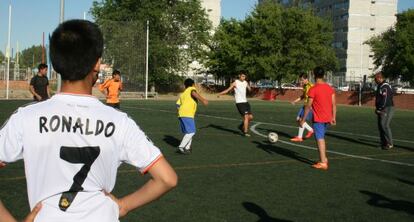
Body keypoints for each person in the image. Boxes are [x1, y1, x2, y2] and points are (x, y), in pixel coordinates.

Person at [0, 20, 177, 221]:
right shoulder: (120, 122)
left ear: (55, 64)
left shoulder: (26, 118)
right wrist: (123, 206)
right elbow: (167, 179)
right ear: (97, 64)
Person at [300, 67, 336, 170]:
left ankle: (323, 162)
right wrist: (333, 117)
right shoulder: (329, 88)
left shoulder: (313, 89)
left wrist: (303, 120)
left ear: (314, 75)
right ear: (323, 75)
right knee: (321, 137)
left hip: (319, 118)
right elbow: (334, 104)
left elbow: (308, 106)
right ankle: (324, 158)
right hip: (327, 118)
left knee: (320, 139)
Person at [176, 78, 208, 154]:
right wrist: (203, 100)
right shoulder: (191, 89)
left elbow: (177, 104)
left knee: (188, 132)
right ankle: (181, 147)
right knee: (191, 132)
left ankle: (187, 147)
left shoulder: (183, 93)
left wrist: (181, 111)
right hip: (187, 114)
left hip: (182, 114)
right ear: (193, 84)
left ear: (185, 85)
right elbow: (193, 93)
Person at [218, 72, 253, 137]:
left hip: (246, 102)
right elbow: (227, 90)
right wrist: (220, 94)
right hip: (239, 103)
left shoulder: (245, 82)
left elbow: (249, 89)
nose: (243, 77)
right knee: (245, 117)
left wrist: (250, 89)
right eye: (242, 76)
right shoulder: (235, 82)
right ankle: (245, 132)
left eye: (244, 76)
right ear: (239, 76)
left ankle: (242, 126)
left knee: (250, 117)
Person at [290, 73, 314, 142]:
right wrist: (295, 101)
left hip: (309, 106)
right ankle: (309, 131)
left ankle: (301, 136)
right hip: (305, 105)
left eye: (302, 80)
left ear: (306, 79)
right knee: (298, 119)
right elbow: (303, 96)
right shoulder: (305, 86)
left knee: (301, 119)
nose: (301, 81)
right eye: (300, 80)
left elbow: (315, 97)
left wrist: (312, 106)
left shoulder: (311, 86)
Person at [374, 72, 394, 150]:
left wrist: (380, 109)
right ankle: (384, 143)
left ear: (379, 78)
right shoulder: (380, 86)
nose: (375, 81)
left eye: (376, 79)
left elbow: (385, 99)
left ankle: (390, 143)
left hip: (387, 108)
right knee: (380, 126)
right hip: (381, 108)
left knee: (384, 125)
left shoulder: (385, 86)